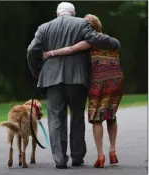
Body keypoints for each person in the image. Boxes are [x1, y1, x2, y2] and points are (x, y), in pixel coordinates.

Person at [27, 2, 120, 169]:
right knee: (77, 116)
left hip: (51, 78)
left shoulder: (44, 27)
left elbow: (32, 50)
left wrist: (37, 73)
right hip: (77, 78)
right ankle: (77, 157)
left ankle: (60, 159)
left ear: (57, 13)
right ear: (74, 13)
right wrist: (114, 42)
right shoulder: (81, 23)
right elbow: (96, 38)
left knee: (55, 118)